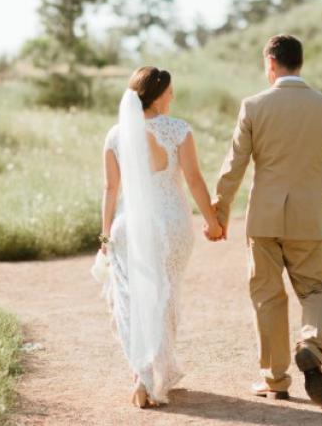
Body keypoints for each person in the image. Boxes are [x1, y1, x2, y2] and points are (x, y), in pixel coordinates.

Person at [212, 34, 322, 405]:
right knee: (317, 290)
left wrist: (219, 211)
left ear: (271, 63)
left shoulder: (254, 106)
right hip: (308, 217)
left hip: (264, 219)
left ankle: (275, 379)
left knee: (268, 297)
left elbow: (234, 164)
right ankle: (311, 344)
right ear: (299, 63)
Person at [91, 66, 223, 408]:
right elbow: (193, 180)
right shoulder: (178, 130)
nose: (173, 97)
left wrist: (105, 237)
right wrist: (213, 222)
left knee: (132, 299)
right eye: (169, 92)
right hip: (172, 225)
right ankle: (153, 374)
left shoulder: (116, 135)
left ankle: (142, 374)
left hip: (128, 227)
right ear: (158, 96)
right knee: (165, 298)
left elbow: (110, 188)